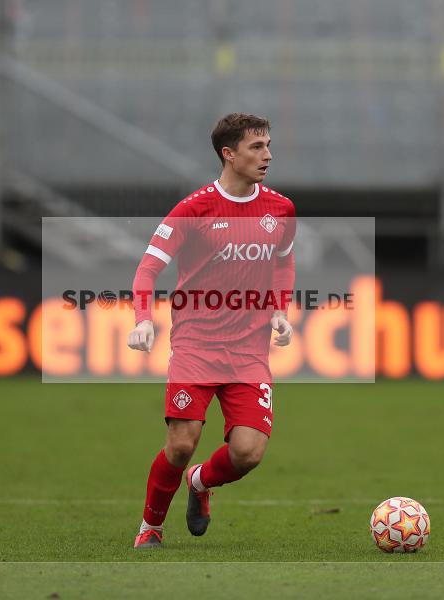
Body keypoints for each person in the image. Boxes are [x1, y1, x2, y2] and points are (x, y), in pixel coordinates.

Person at [126, 113, 297, 548]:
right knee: (181, 444)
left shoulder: (281, 209)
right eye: (257, 147)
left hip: (248, 351)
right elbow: (147, 269)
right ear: (229, 154)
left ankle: (200, 482)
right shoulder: (193, 209)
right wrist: (143, 320)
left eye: (268, 145)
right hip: (196, 346)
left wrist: (280, 311)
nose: (268, 155)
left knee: (248, 453)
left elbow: (283, 263)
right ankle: (150, 528)